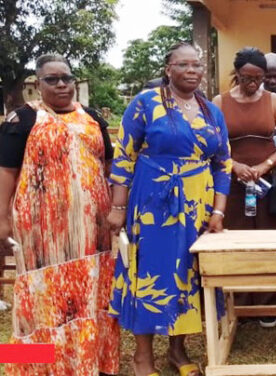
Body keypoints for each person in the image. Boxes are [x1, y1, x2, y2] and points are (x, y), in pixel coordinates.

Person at [107, 42, 232, 376]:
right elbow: (123, 158)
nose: (192, 71)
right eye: (184, 65)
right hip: (153, 203)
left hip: (198, 204)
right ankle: (142, 357)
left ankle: (178, 351)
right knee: (150, 274)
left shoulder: (211, 111)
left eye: (197, 66)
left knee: (189, 274)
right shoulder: (144, 104)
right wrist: (118, 206)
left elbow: (223, 164)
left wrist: (217, 212)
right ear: (168, 68)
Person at [0, 54, 119, 376]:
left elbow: (108, 166)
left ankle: (90, 365)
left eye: (66, 77)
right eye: (52, 79)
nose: (62, 84)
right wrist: (2, 218)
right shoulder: (21, 119)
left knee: (92, 293)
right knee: (36, 297)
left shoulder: (93, 118)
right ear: (36, 85)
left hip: (92, 228)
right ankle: (30, 367)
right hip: (42, 229)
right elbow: (7, 172)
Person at [212, 47, 276, 329]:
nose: (252, 84)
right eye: (247, 78)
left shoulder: (273, 101)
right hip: (232, 182)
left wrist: (267, 164)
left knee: (269, 238)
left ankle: (269, 303)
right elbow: (213, 145)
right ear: (236, 74)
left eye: (258, 78)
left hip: (266, 181)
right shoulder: (220, 102)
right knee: (236, 238)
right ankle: (238, 302)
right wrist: (233, 165)